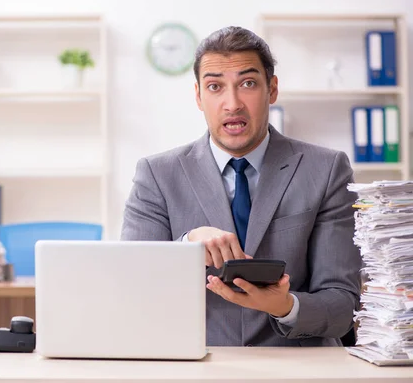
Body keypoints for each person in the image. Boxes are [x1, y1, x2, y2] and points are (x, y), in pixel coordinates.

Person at [120, 26, 362, 347]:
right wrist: (186, 245)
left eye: (247, 84)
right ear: (198, 96)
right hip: (194, 361)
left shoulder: (327, 169)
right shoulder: (156, 174)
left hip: (297, 365)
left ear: (272, 89)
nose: (232, 104)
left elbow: (343, 306)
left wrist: (284, 306)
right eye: (215, 86)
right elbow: (131, 286)